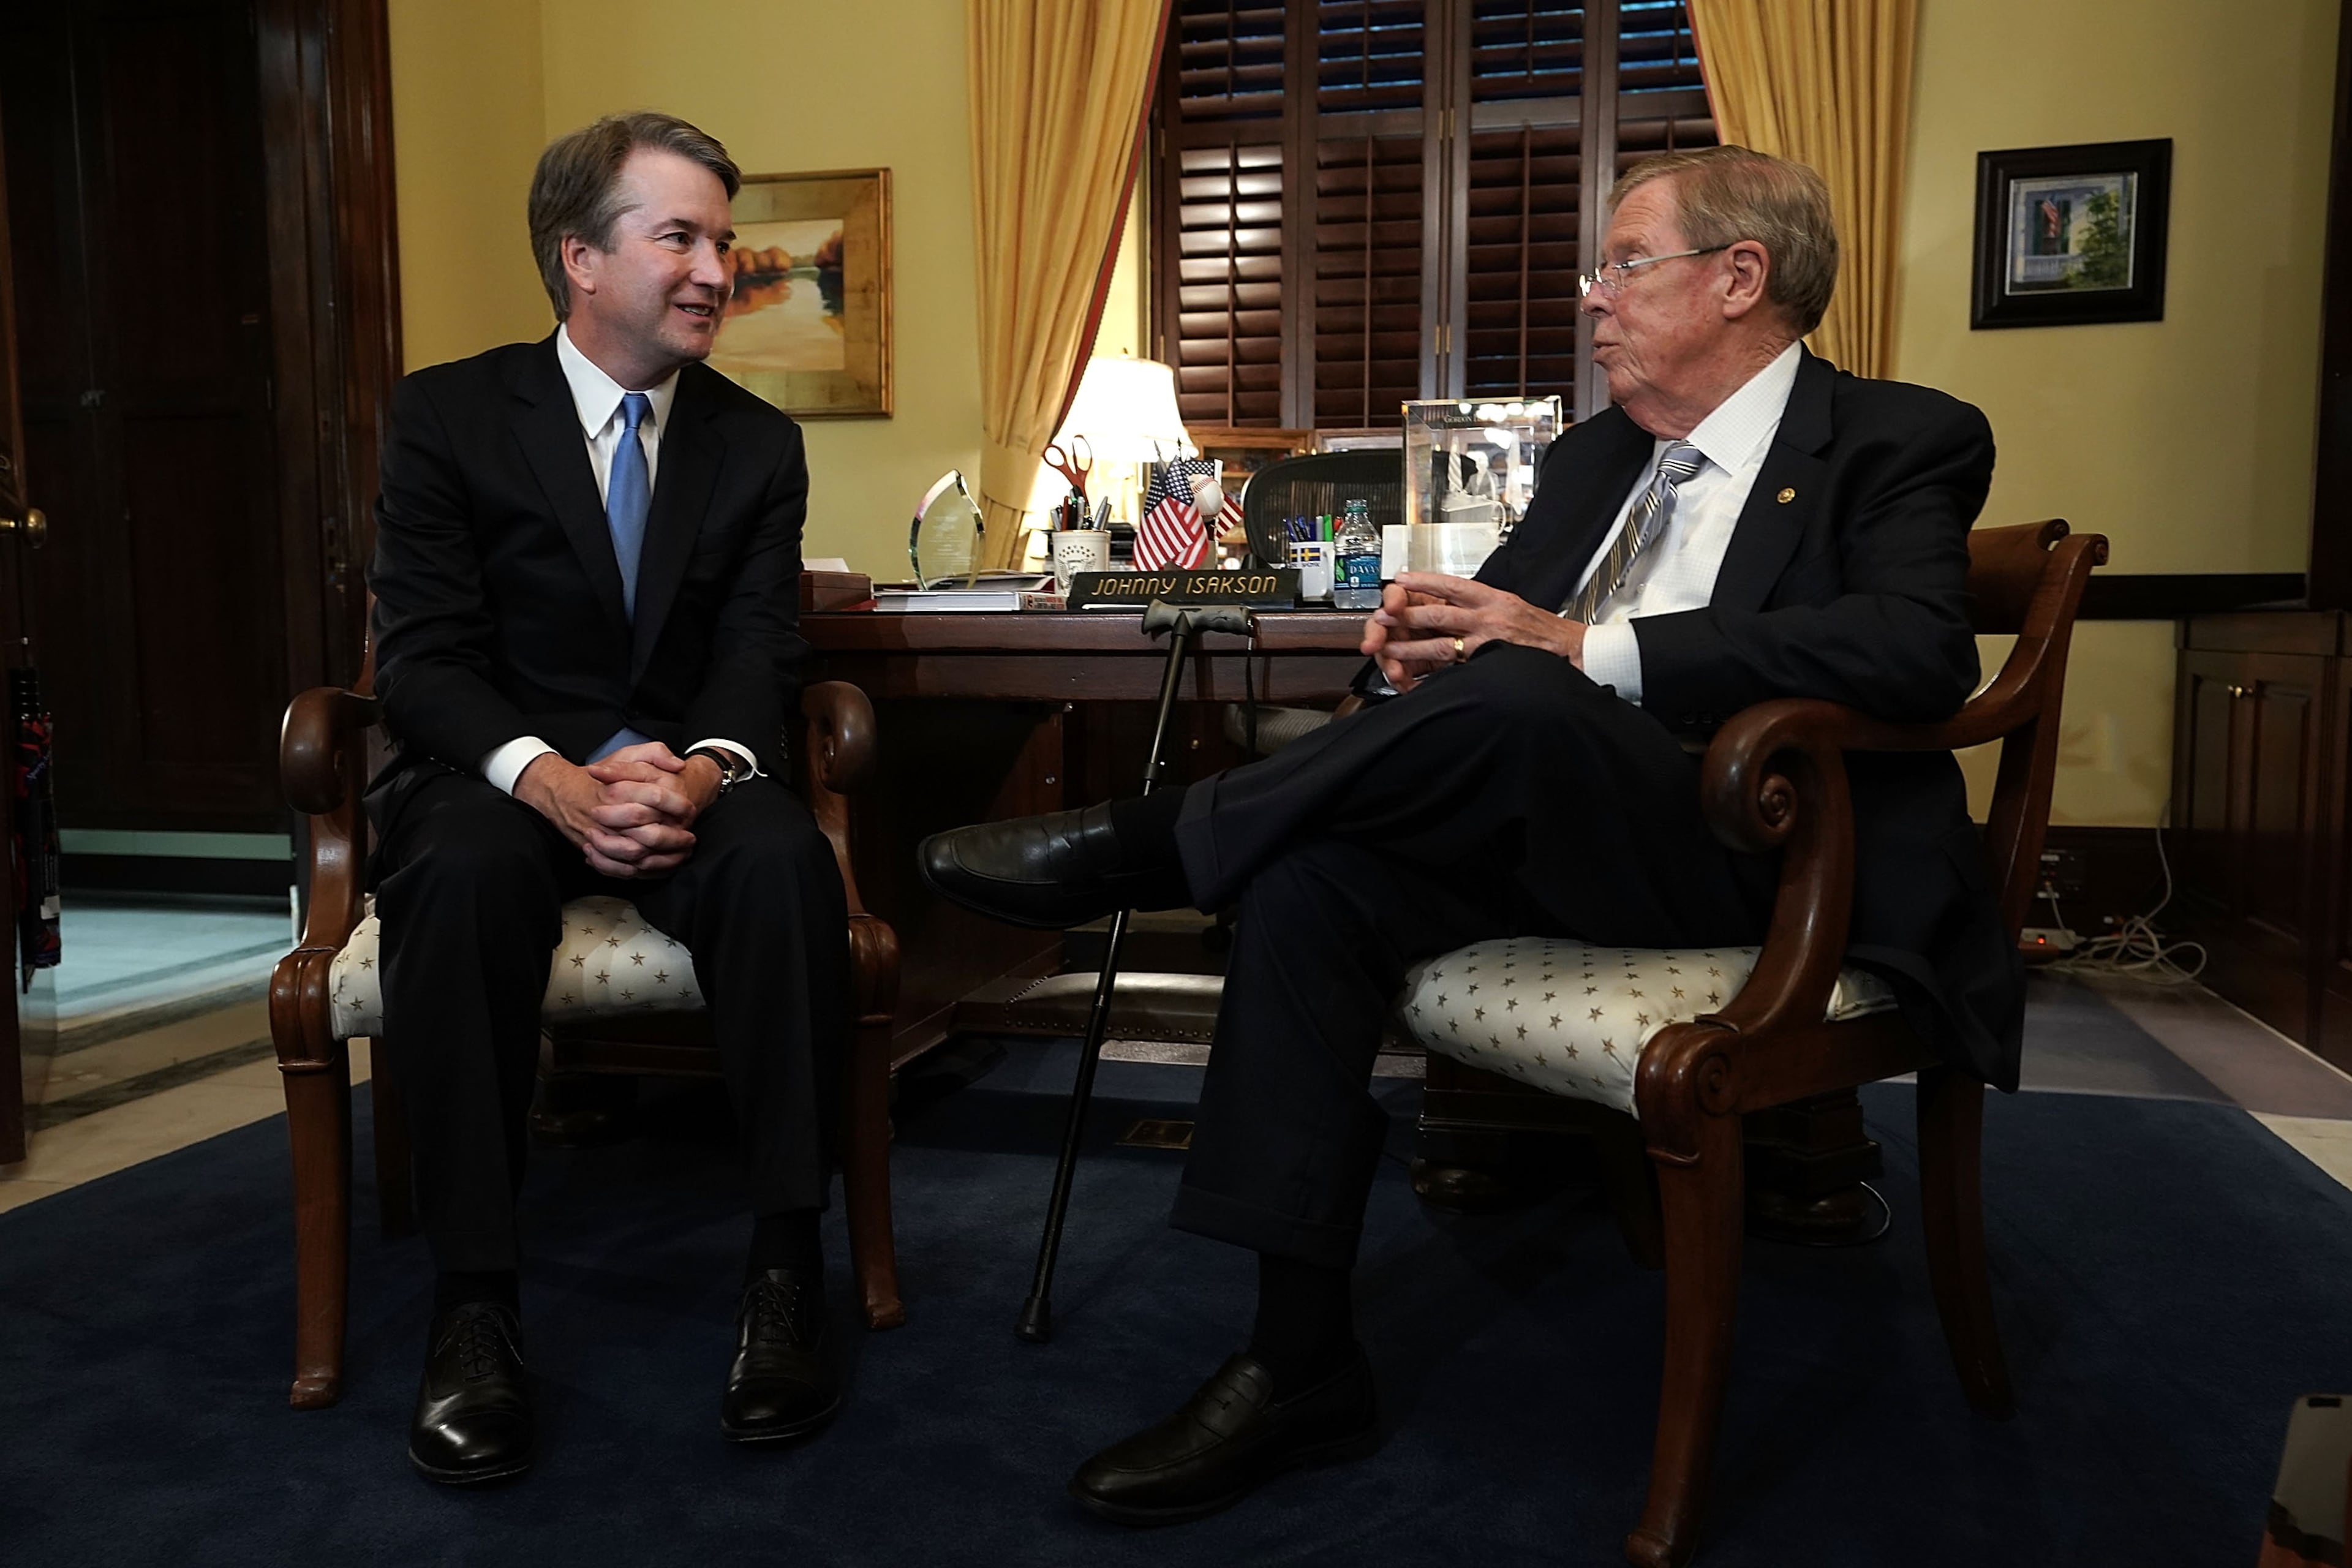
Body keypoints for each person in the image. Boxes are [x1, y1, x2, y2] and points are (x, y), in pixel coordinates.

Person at [919, 145, 2019, 1525]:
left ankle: (1153, 845)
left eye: (1622, 265)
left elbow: (1915, 649)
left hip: (1768, 851)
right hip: (1553, 818)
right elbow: (1493, 635)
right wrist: (1413, 652)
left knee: (1519, 687)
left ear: (1742, 277)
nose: (1592, 301)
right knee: (1317, 873)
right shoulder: (1595, 455)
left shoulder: (1897, 436)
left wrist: (1584, 648)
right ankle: (1296, 1356)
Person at [368, 111, 848, 1485]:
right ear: (581, 256)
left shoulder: (755, 445)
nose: (716, 268)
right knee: (454, 876)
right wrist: (559, 783)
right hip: (501, 773)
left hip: (687, 772)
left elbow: (761, 651)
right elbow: (425, 659)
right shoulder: (449, 412)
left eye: (724, 239)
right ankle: (474, 1304)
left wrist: (698, 772)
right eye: (681, 236)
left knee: (781, 864)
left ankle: (783, 1268)